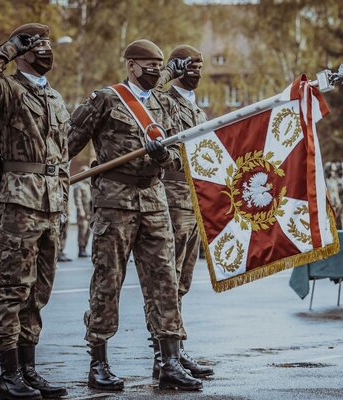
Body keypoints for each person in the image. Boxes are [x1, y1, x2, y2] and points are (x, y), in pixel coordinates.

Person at [68, 39, 202, 391]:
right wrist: (49, 177)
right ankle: (99, 363)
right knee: (108, 280)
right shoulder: (107, 99)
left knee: (165, 281)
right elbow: (69, 141)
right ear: (131, 65)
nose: (156, 70)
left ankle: (169, 361)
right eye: (149, 65)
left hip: (154, 197)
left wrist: (163, 157)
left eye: (160, 65)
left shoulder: (163, 102)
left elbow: (177, 153)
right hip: (115, 199)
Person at [0, 23, 69, 399]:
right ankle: (8, 374)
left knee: (38, 293)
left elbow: (61, 158)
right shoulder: (7, 89)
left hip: (50, 206)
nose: (45, 50)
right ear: (22, 51)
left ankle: (29, 369)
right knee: (12, 289)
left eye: (46, 43)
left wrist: (63, 201)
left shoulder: (56, 98)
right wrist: (7, 49)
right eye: (36, 44)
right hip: (18, 204)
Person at [153, 44, 214, 380]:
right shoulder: (162, 101)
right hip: (171, 194)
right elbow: (146, 98)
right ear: (176, 68)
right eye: (190, 66)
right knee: (167, 281)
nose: (197, 72)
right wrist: (167, 73)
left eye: (201, 66)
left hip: (193, 198)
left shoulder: (199, 111)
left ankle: (174, 352)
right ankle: (165, 358)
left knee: (182, 282)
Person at [73, 165, 92, 258]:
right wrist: (81, 210)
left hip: (89, 213)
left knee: (88, 231)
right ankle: (81, 250)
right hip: (83, 213)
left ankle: (84, 248)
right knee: (82, 232)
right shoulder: (78, 185)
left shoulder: (88, 185)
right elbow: (77, 199)